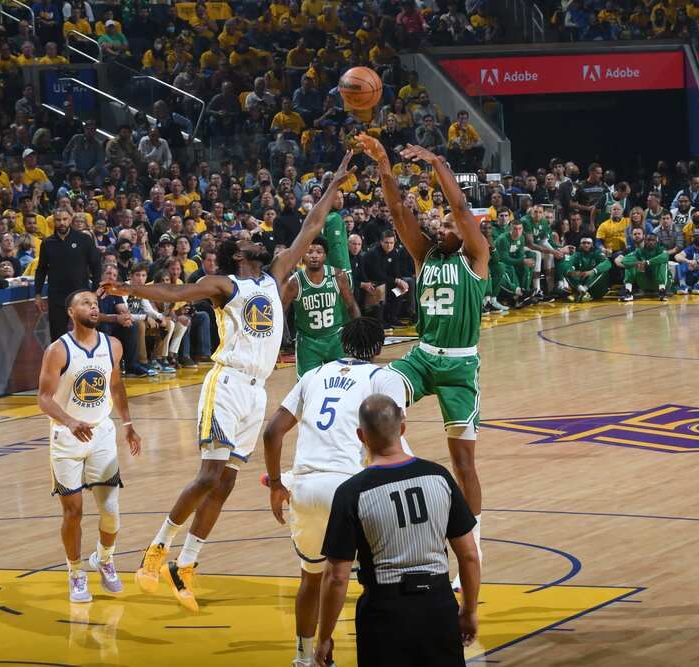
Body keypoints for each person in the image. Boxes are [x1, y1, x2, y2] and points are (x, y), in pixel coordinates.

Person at [100, 151, 356, 612]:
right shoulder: (225, 285)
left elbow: (311, 227)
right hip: (228, 381)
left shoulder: (276, 276)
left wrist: (334, 184)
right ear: (240, 254)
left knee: (226, 484)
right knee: (208, 475)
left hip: (257, 390)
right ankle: (158, 548)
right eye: (246, 237)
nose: (255, 236)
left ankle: (188, 565)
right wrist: (133, 290)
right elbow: (176, 293)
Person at [357, 134, 489, 591]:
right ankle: (401, 469)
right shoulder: (423, 254)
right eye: (441, 224)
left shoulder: (476, 256)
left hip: (458, 367)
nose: (443, 225)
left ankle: (472, 542)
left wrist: (435, 160)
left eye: (450, 224)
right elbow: (397, 213)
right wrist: (383, 165)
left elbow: (457, 204)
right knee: (377, 395)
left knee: (463, 463)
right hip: (422, 357)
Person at [262, 318, 409, 667]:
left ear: (343, 342)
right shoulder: (381, 377)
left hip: (306, 486)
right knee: (377, 577)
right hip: (350, 486)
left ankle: (302, 656)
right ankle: (383, 650)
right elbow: (390, 440)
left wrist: (277, 483)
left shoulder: (313, 375)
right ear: (378, 348)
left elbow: (272, 434)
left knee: (311, 579)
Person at [312, 394, 480, 667]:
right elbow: (470, 556)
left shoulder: (351, 493)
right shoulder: (439, 477)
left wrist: (324, 637)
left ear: (360, 435)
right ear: (402, 429)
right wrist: (469, 610)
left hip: (385, 614)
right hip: (438, 605)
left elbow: (336, 577)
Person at [36, 290, 142, 602]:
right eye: (85, 303)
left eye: (95, 304)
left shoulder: (113, 345)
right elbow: (43, 398)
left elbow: (116, 385)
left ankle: (105, 559)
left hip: (101, 433)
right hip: (66, 437)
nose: (93, 307)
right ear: (70, 312)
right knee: (73, 512)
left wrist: (128, 425)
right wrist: (69, 421)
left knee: (110, 511)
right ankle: (75, 572)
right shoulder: (58, 350)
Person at [282, 237, 360, 378]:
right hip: (308, 343)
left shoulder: (338, 275)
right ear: (303, 256)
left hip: (336, 339)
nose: (314, 255)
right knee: (307, 387)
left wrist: (360, 330)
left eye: (319, 252)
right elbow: (281, 311)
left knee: (342, 382)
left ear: (325, 255)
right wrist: (281, 339)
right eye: (309, 252)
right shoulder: (294, 282)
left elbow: (351, 305)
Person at [35, 208, 103, 341]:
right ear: (53, 221)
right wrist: (37, 293)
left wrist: (95, 291)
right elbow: (41, 269)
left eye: (65, 219)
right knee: (58, 336)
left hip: (80, 295)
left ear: (70, 219)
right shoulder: (47, 243)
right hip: (57, 296)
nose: (62, 223)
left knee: (87, 332)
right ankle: (62, 362)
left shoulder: (84, 239)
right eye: (58, 220)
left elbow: (96, 265)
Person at [619, 233, 671, 302]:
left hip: (663, 281)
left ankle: (662, 291)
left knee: (661, 263)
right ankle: (628, 292)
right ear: (644, 240)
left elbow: (665, 257)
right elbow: (624, 260)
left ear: (657, 241)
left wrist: (648, 262)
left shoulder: (661, 250)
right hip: (645, 281)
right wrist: (637, 263)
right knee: (630, 265)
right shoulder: (639, 251)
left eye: (653, 240)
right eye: (648, 240)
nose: (650, 242)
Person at [560, 236, 611, 302]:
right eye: (583, 243)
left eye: (588, 243)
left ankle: (582, 292)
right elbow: (566, 264)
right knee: (567, 271)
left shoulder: (597, 253)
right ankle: (582, 291)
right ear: (580, 244)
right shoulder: (576, 255)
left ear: (592, 245)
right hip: (580, 284)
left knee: (602, 270)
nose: (586, 245)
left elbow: (607, 263)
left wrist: (593, 271)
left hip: (597, 288)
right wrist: (571, 272)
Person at [675, 230, 699, 294]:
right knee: (681, 262)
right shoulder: (689, 248)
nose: (697, 238)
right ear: (692, 238)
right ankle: (683, 285)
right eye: (695, 236)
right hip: (692, 272)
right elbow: (677, 256)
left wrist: (697, 262)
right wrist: (688, 261)